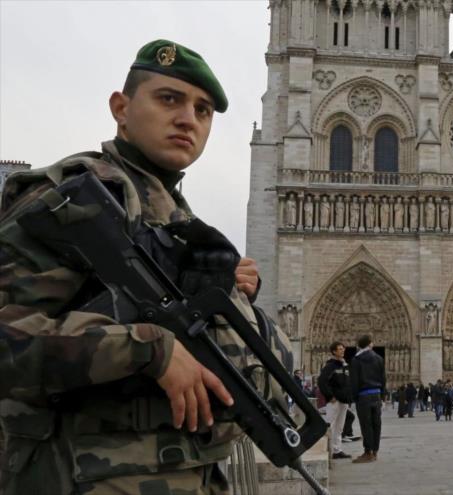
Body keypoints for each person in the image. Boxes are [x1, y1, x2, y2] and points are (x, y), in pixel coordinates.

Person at [0, 39, 300, 494]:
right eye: (169, 99)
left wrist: (227, 304)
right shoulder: (67, 202)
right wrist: (147, 350)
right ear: (121, 108)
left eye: (202, 111)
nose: (187, 119)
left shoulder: (174, 215)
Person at [349, 334, 386, 463]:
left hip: (363, 396)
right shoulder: (379, 358)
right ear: (370, 344)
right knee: (377, 424)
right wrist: (383, 396)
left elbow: (354, 381)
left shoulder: (356, 360)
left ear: (359, 346)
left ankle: (368, 452)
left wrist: (354, 397)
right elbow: (383, 379)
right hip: (376, 395)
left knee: (366, 425)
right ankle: (375, 451)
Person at [318, 341, 353, 459]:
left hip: (344, 401)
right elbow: (322, 382)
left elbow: (348, 383)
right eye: (339, 349)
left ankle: (337, 450)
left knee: (339, 427)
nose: (342, 350)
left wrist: (349, 398)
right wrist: (330, 396)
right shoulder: (330, 366)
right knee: (329, 425)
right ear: (334, 351)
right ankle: (326, 449)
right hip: (334, 401)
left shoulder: (345, 365)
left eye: (343, 348)